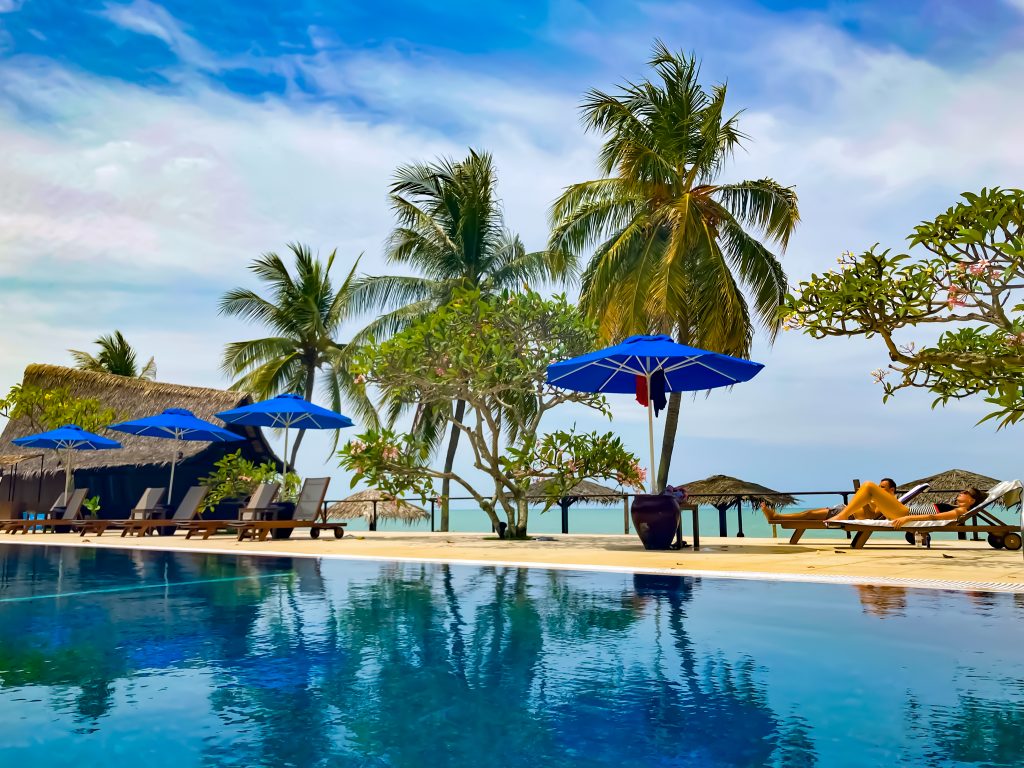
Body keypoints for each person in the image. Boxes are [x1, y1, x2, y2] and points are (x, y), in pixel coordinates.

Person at [830, 483, 985, 529]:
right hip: (902, 512)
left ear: (972, 500)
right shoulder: (955, 507)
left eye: (965, 492)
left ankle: (844, 514)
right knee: (868, 491)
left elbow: (934, 517)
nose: (960, 493)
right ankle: (847, 513)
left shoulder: (959, 511)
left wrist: (907, 518)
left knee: (869, 486)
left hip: (903, 513)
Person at [760, 477, 900, 522]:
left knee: (809, 515)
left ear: (891, 490)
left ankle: (777, 517)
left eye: (882, 487)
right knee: (809, 513)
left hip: (846, 515)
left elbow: (870, 516)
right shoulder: (883, 501)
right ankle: (777, 517)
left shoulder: (887, 504)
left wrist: (866, 501)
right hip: (842, 509)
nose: (879, 490)